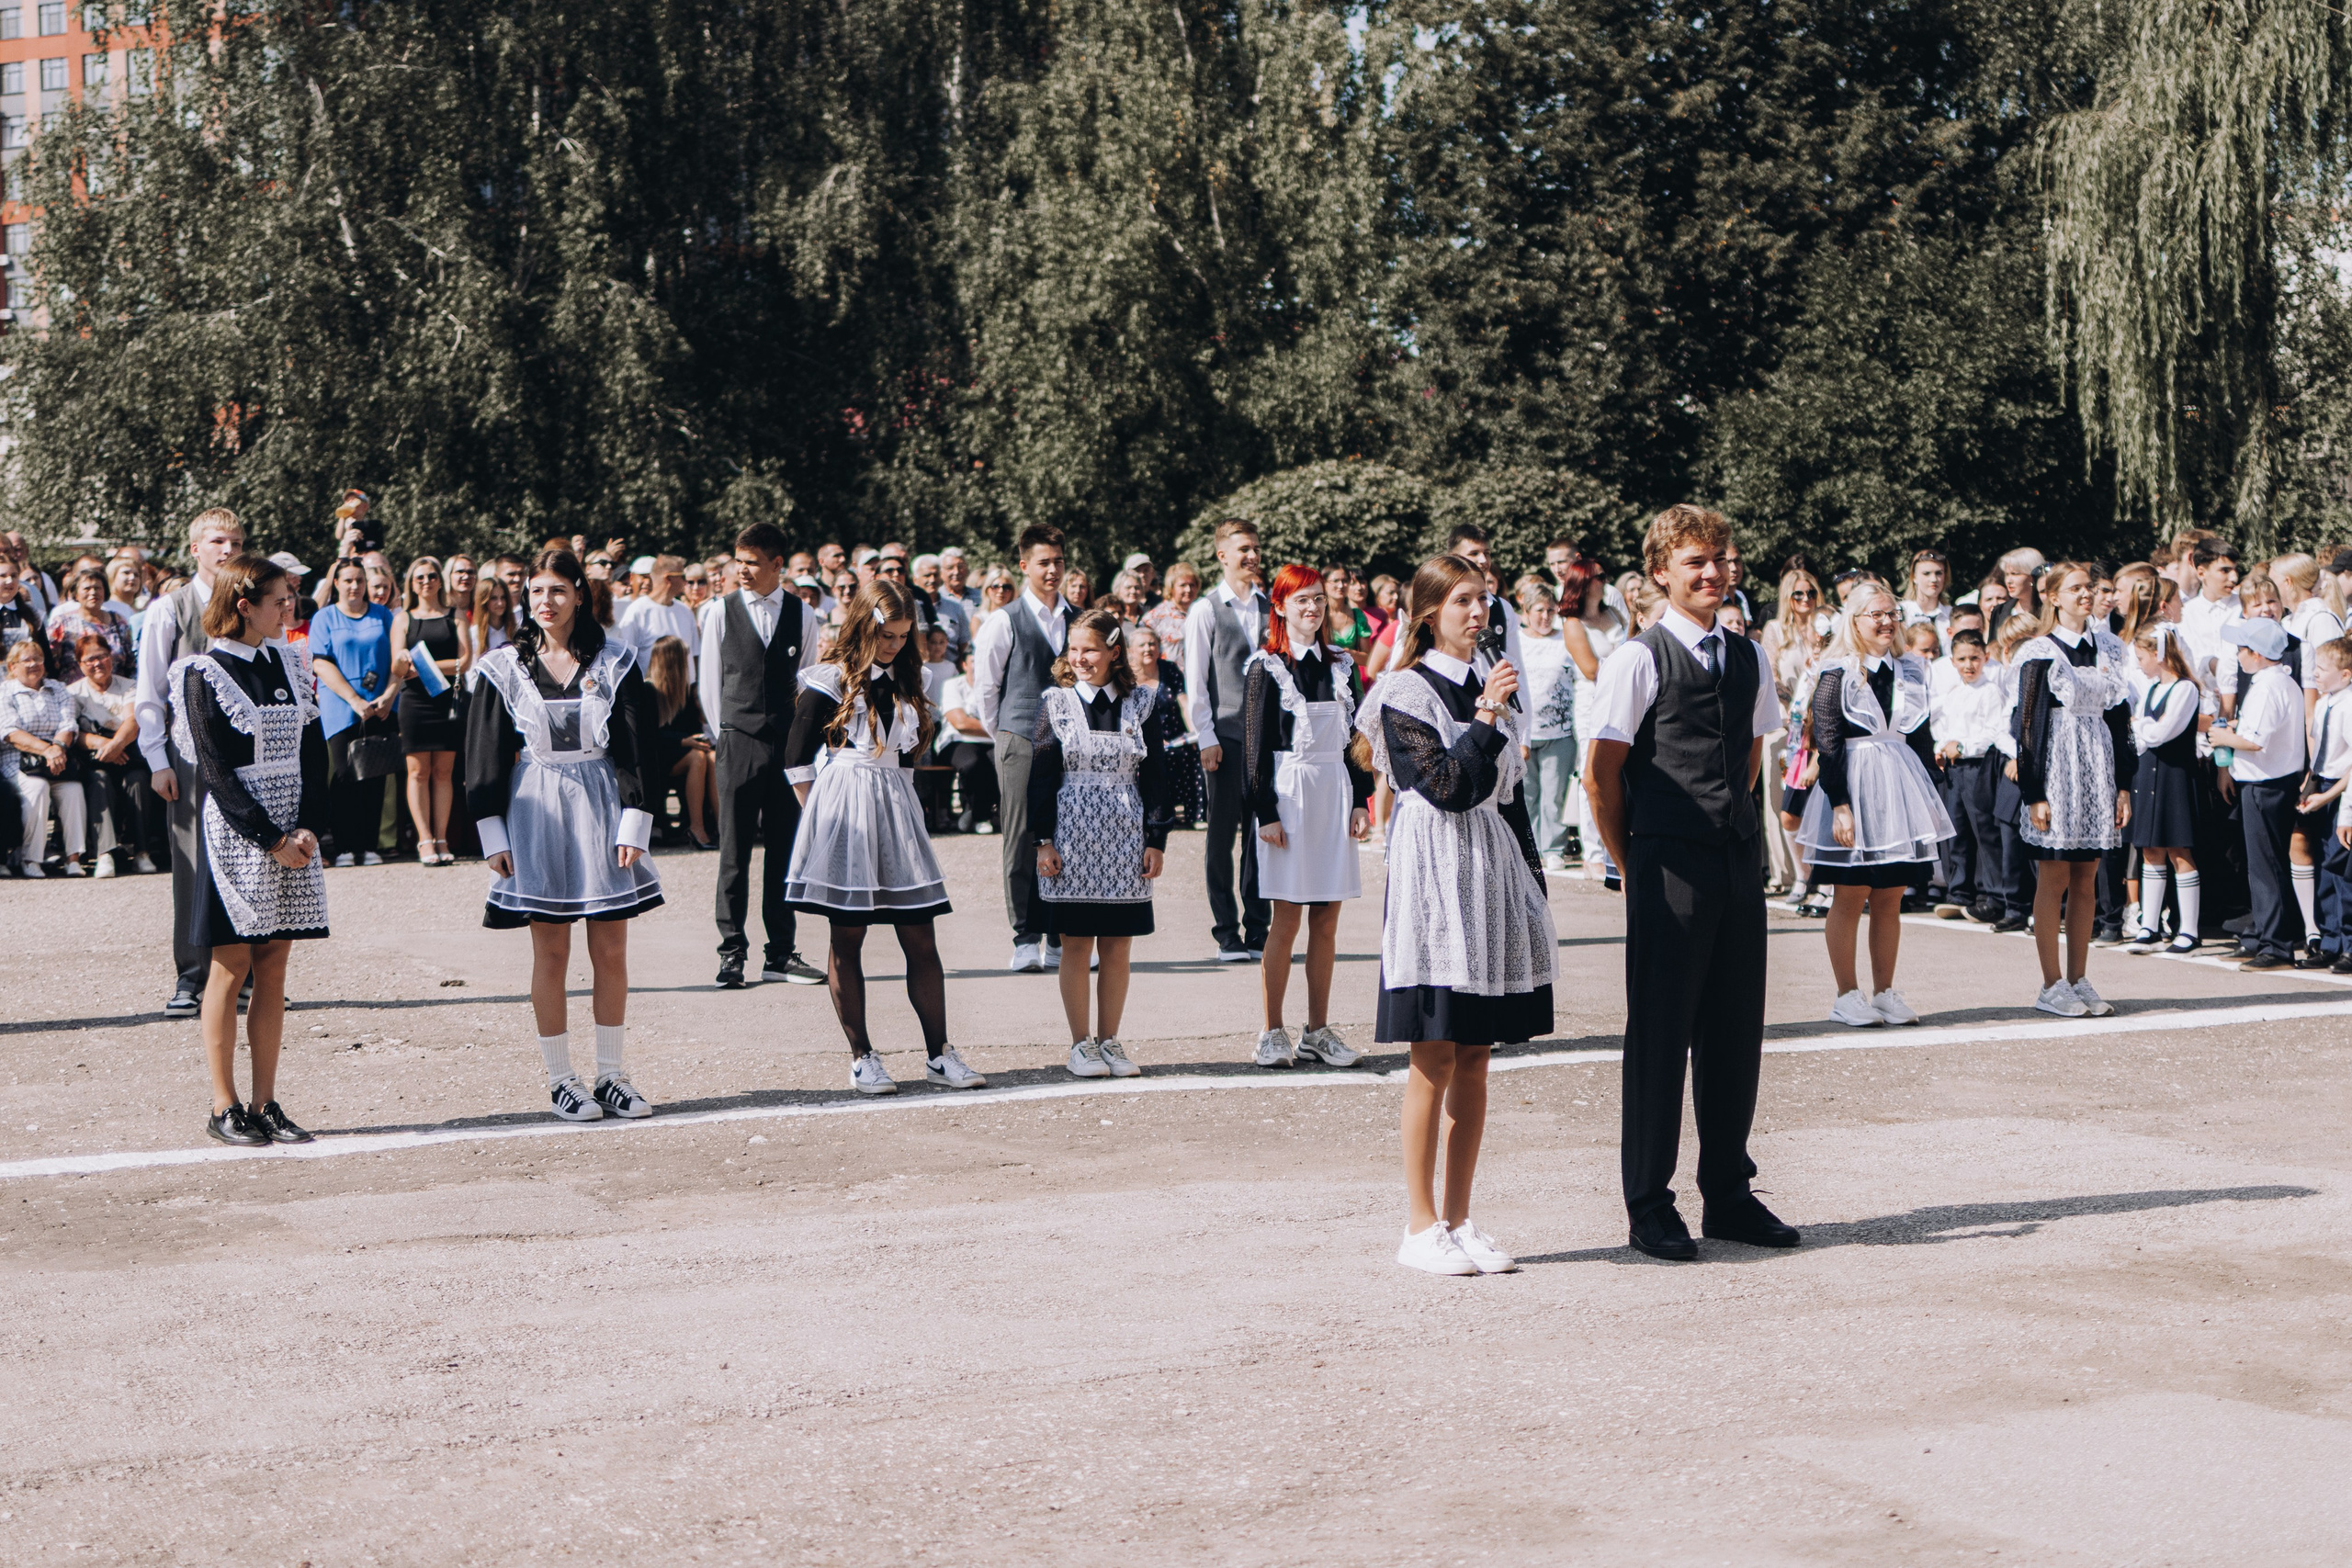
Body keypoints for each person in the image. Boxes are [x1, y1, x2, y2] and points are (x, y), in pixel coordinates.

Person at [1584, 505, 1796, 1262]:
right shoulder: (1637, 659)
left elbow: (1747, 751)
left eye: (1718, 559)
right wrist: (1633, 860)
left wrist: (1730, 817)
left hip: (1734, 857)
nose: (1710, 573)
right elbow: (1601, 773)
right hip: (1665, 862)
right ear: (1662, 573)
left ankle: (1730, 1195)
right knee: (1661, 1034)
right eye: (1693, 562)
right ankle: (1649, 1202)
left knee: (1736, 1030)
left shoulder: (1747, 656)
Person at [1357, 554, 1555, 1276]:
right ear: (1429, 612)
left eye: (1486, 600)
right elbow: (1443, 786)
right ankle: (1418, 1224)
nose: (1480, 612)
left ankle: (1461, 1217)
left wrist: (1533, 885)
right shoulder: (1404, 690)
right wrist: (1486, 716)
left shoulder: (1491, 685)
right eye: (1464, 600)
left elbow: (1510, 796)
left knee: (1476, 1053)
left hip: (1491, 871)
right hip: (1435, 877)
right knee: (1432, 1053)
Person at [465, 548, 662, 1121]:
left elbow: (636, 748)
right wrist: (491, 833)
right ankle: (561, 1080)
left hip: (602, 802)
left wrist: (636, 818)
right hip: (536, 804)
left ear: (580, 593)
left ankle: (610, 1075)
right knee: (550, 949)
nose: (544, 603)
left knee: (611, 948)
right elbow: (484, 756)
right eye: (536, 592)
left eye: (556, 590)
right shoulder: (502, 666)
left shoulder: (618, 661)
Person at [784, 580, 985, 1095]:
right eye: (884, 634)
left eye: (900, 635)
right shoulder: (829, 678)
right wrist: (820, 819)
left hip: (896, 802)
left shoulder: (910, 679)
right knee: (846, 936)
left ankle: (940, 1053)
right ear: (862, 624)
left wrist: (904, 807)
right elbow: (795, 757)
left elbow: (908, 753)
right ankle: (862, 1057)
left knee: (921, 935)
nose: (893, 644)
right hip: (845, 804)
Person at [165, 552, 329, 1147]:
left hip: (292, 828)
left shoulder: (291, 661)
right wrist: (272, 838)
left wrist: (308, 827)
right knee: (230, 967)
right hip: (239, 832)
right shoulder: (202, 673)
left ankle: (266, 1100)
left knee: (274, 967)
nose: (291, 607)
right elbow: (217, 770)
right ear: (244, 605)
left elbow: (314, 751)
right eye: (280, 599)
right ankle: (223, 1103)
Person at [1793, 583, 1954, 1027]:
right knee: (1850, 893)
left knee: (1889, 896)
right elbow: (1827, 741)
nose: (1886, 622)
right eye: (1874, 615)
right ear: (1854, 620)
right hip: (1855, 785)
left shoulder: (1911, 671)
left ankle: (1884, 991)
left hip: (1898, 789)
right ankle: (1847, 994)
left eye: (1891, 614)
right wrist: (1840, 804)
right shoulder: (1837, 671)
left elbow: (1921, 739)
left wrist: (1931, 794)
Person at [1030, 610, 1173, 1080]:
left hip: (1125, 836)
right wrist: (1042, 842)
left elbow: (1156, 777)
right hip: (1071, 838)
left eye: (1090, 649)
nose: (1080, 658)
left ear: (1115, 651)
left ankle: (1110, 1039)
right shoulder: (1055, 702)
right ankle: (1080, 1044)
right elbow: (1041, 777)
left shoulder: (1143, 704)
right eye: (1074, 650)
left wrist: (1157, 838)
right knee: (1075, 943)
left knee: (1117, 944)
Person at [1244, 566, 1374, 1069]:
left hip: (1334, 794)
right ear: (1279, 606)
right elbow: (1254, 747)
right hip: (1289, 795)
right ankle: (1271, 1030)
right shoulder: (1266, 667)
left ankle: (1316, 1030)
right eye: (1300, 600)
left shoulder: (1342, 664)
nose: (1311, 608)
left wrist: (1362, 799)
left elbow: (1356, 741)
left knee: (1327, 920)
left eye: (1317, 599)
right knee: (1287, 919)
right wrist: (1265, 813)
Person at [697, 523, 824, 989]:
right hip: (736, 739)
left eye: (752, 562)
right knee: (733, 852)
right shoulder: (719, 612)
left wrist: (799, 746)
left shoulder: (802, 613)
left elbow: (807, 682)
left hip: (785, 745)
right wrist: (725, 733)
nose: (742, 570)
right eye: (738, 560)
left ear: (776, 565)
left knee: (784, 851)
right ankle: (732, 952)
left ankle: (781, 952)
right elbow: (710, 681)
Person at [135, 508, 250, 1016]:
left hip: (246, 756)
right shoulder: (171, 609)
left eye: (236, 541)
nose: (228, 550)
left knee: (249, 860)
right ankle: (191, 975)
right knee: (191, 861)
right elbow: (149, 691)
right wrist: (157, 758)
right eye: (218, 541)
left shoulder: (250, 604)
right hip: (187, 756)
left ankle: (244, 974)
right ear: (196, 549)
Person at [2014, 562, 2136, 1013]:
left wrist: (2124, 784)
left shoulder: (2110, 648)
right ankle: (2051, 984)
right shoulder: (2039, 651)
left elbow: (2121, 721)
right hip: (2056, 767)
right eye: (2076, 588)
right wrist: (2033, 792)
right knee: (2055, 874)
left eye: (2090, 587)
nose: (2086, 594)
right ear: (2052, 596)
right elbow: (2028, 726)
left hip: (2097, 764)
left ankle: (2079, 976)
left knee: (2088, 876)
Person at [974, 525, 1080, 973]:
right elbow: (986, 688)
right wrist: (1008, 735)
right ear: (1024, 566)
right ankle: (1024, 937)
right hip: (1018, 736)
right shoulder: (1005, 619)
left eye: (1058, 561)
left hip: (1071, 738)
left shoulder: (1079, 617)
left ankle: (1058, 935)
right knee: (1019, 836)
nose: (1052, 570)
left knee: (1068, 831)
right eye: (1043, 562)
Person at [1183, 518, 1272, 964]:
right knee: (1221, 837)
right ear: (1222, 555)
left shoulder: (1270, 606)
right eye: (1243, 549)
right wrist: (1205, 735)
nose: (1252, 556)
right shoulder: (1205, 609)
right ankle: (1226, 932)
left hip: (1266, 740)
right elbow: (1196, 680)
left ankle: (1259, 928)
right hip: (1225, 735)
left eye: (1255, 547)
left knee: (1263, 834)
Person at [2209, 615, 2306, 970]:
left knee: (2266, 867)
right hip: (2270, 784)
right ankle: (2263, 935)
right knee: (2265, 865)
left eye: (2242, 649)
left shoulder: (2267, 686)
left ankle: (2277, 945)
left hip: (2266, 786)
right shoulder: (2279, 682)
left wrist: (2222, 737)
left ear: (2258, 654)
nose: (2238, 655)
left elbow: (2255, 741)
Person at [309, 558, 398, 868]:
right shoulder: (325, 617)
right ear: (336, 583)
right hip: (340, 705)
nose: (355, 586)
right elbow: (320, 662)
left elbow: (398, 659)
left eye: (359, 580)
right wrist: (353, 699)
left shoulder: (383, 615)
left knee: (374, 774)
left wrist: (388, 696)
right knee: (344, 775)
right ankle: (345, 845)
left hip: (380, 705)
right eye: (347, 580)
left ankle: (369, 844)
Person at [2124, 624, 2207, 954]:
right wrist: (2143, 729)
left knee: (2179, 850)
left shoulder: (2186, 689)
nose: (2139, 664)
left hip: (2174, 776)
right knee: (2150, 849)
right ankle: (2150, 924)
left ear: (2159, 654)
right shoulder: (2151, 689)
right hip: (2148, 775)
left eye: (2142, 656)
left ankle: (2189, 929)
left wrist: (2139, 725)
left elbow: (2160, 734)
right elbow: (2144, 738)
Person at [1929, 628, 2012, 924]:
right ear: (1952, 661)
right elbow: (1941, 727)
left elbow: (1993, 732)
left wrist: (1963, 746)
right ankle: (1958, 893)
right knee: (1957, 831)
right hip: (1954, 769)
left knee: (1984, 832)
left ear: (1986, 658)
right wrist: (1942, 746)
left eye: (1975, 658)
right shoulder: (1954, 694)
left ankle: (1993, 896)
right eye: (1962, 659)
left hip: (1978, 766)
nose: (1969, 665)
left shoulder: (1990, 691)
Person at [392, 556, 467, 865]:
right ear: (412, 583)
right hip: (415, 703)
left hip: (446, 700)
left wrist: (424, 666)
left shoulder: (455, 615)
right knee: (418, 772)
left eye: (432, 576)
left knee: (443, 772)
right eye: (420, 577)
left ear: (440, 579)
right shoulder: (403, 619)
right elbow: (396, 667)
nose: (427, 582)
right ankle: (424, 840)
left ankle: (442, 837)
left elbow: (464, 661)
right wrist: (401, 661)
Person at [69, 635, 160, 876]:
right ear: (80, 664)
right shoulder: (74, 692)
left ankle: (142, 852)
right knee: (99, 782)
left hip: (128, 752)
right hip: (94, 756)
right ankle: (104, 854)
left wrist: (117, 746)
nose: (97, 663)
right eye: (90, 659)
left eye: (102, 656)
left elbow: (133, 720)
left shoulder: (128, 685)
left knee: (138, 780)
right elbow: (74, 733)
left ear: (111, 657)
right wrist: (106, 747)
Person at [3, 638, 91, 875]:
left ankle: (73, 859)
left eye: (38, 659)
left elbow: (68, 722)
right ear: (12, 666)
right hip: (19, 762)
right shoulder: (5, 691)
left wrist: (59, 747)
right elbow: (10, 733)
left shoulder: (57, 688)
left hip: (57, 759)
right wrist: (46, 750)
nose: (34, 664)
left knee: (73, 790)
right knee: (38, 788)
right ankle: (32, 859)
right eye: (27, 660)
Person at [1518, 581, 1577, 872]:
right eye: (1539, 610)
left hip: (1561, 732)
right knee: (1527, 794)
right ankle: (1528, 848)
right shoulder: (1516, 640)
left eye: (1550, 610)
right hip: (1525, 731)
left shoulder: (1566, 638)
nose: (1545, 616)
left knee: (1554, 794)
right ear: (1525, 611)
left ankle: (1553, 848)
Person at [644, 634, 717, 848]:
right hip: (659, 758)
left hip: (683, 753)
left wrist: (698, 736)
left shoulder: (685, 692)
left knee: (711, 756)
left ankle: (723, 827)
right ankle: (696, 828)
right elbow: (649, 736)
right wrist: (685, 741)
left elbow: (692, 729)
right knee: (697, 757)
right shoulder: (649, 691)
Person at [933, 648, 1001, 833]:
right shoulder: (953, 685)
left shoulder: (994, 687)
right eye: (973, 662)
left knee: (1002, 761)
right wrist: (997, 728)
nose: (978, 667)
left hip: (989, 741)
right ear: (964, 664)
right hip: (956, 740)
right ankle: (981, 816)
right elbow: (960, 722)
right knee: (973, 763)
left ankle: (982, 810)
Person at [620, 555, 700, 680]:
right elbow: (625, 660)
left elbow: (694, 656)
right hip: (649, 695)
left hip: (685, 695)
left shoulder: (685, 611)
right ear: (668, 579)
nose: (686, 581)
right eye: (682, 576)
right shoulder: (637, 611)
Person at [1140, 560, 1198, 661]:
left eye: (1192, 585)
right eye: (1183, 585)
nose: (1188, 590)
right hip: (1170, 675)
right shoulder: (1155, 617)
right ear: (1171, 588)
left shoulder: (1201, 613)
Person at [468, 577, 514, 668]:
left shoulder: (515, 631)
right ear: (484, 600)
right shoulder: (474, 634)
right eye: (494, 598)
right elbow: (472, 672)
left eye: (503, 597)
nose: (500, 603)